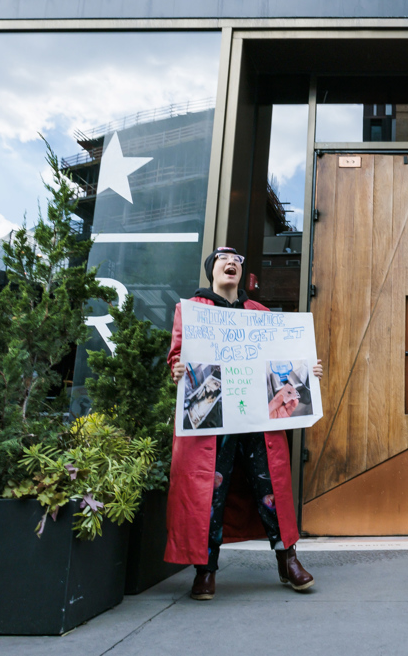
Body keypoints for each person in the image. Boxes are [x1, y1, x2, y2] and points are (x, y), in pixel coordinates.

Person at [165, 246, 323, 600]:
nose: (232, 262)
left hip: (255, 418)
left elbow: (284, 359)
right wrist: (176, 368)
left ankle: (287, 558)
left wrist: (306, 371)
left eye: (238, 259)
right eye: (224, 258)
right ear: (212, 270)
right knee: (211, 491)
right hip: (213, 421)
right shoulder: (191, 311)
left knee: (270, 484)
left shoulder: (260, 314)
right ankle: (205, 570)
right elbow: (179, 355)